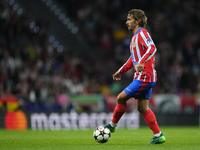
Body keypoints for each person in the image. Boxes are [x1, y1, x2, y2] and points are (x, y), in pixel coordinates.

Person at [104, 9, 166, 144]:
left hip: (144, 77)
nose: (127, 22)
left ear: (137, 21)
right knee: (142, 108)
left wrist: (142, 62)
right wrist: (121, 71)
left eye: (129, 19)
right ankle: (159, 135)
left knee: (120, 98)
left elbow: (152, 48)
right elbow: (133, 58)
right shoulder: (134, 38)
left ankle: (112, 126)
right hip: (145, 77)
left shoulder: (142, 33)